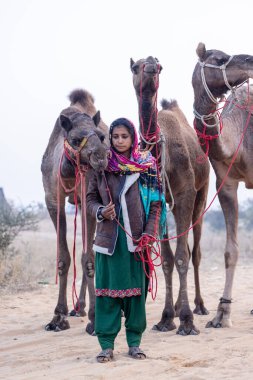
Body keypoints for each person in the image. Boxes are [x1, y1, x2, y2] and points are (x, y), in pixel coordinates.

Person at [86, 117, 166, 363]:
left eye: (125, 136)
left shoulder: (147, 165)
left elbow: (155, 203)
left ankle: (134, 343)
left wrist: (150, 234)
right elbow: (89, 199)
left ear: (133, 138)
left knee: (135, 296)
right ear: (109, 138)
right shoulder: (100, 166)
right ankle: (106, 346)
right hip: (108, 241)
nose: (119, 141)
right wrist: (101, 211)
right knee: (106, 296)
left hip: (137, 241)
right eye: (115, 136)